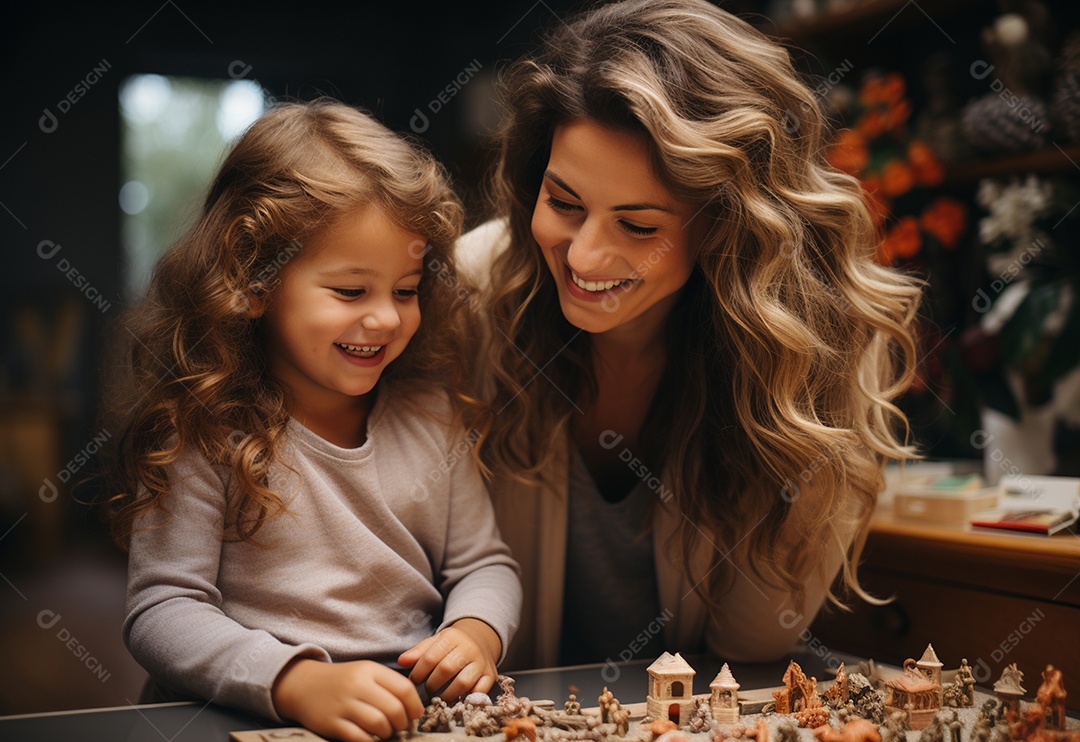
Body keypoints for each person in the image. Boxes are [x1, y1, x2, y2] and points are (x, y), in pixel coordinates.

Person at [457, 0, 921, 670]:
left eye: (638, 226)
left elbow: (754, 648)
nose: (585, 257)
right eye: (563, 203)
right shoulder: (473, 295)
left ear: (731, 225)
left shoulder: (818, 347)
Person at [106, 100, 520, 742]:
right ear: (252, 282)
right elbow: (163, 610)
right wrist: (294, 682)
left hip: (406, 720)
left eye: (405, 289)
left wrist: (475, 631)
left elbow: (483, 564)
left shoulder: (433, 415)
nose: (385, 317)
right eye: (351, 291)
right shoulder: (208, 431)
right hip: (240, 719)